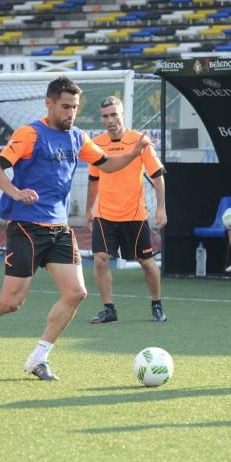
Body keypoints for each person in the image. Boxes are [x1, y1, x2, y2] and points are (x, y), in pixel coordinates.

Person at [0, 76, 151, 381]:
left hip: (58, 229)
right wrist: (16, 192)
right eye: (66, 107)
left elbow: (106, 163)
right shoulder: (29, 134)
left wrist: (135, 154)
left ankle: (38, 358)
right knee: (12, 302)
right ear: (50, 103)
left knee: (77, 292)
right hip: (26, 227)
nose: (71, 113)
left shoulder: (78, 138)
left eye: (75, 108)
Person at [86, 96, 168, 324]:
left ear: (122, 114)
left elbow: (158, 176)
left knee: (146, 262)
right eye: (105, 116)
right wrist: (88, 209)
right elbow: (93, 179)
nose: (110, 120)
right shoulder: (96, 144)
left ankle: (157, 304)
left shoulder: (139, 141)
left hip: (134, 215)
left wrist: (161, 208)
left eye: (114, 114)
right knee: (101, 259)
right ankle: (109, 309)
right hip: (104, 215)